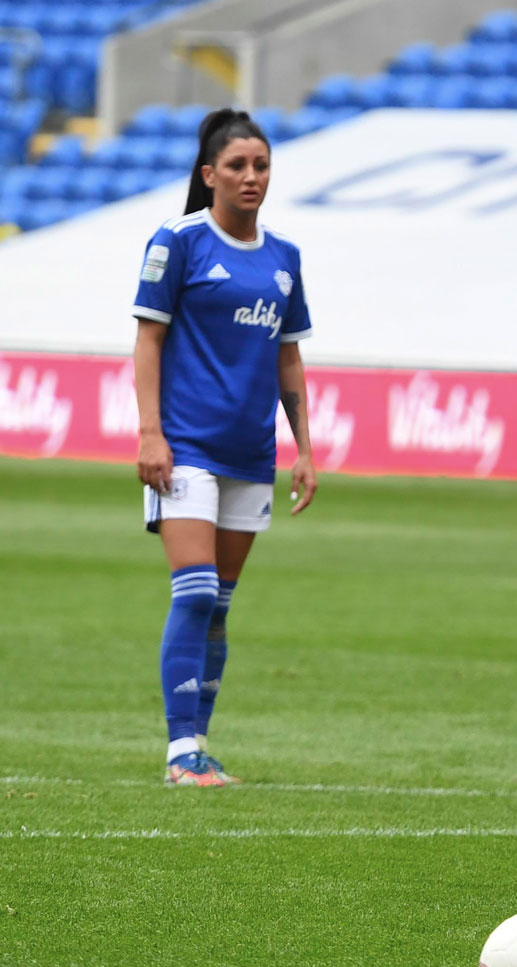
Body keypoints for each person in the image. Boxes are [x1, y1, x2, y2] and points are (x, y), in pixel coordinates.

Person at [131, 108, 316, 788]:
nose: (251, 177)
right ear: (208, 174)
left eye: (261, 165)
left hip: (249, 455)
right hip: (184, 450)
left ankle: (199, 744)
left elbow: (287, 359)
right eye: (236, 166)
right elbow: (148, 339)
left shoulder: (283, 258)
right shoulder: (178, 242)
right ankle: (181, 753)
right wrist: (150, 433)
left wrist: (304, 448)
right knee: (197, 590)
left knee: (222, 602)